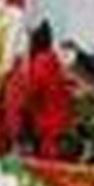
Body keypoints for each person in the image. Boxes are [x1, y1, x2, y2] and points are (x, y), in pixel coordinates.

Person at [22, 20, 73, 160]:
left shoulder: (41, 60)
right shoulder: (53, 59)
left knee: (47, 156)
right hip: (58, 117)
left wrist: (24, 104)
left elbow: (35, 88)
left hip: (46, 118)